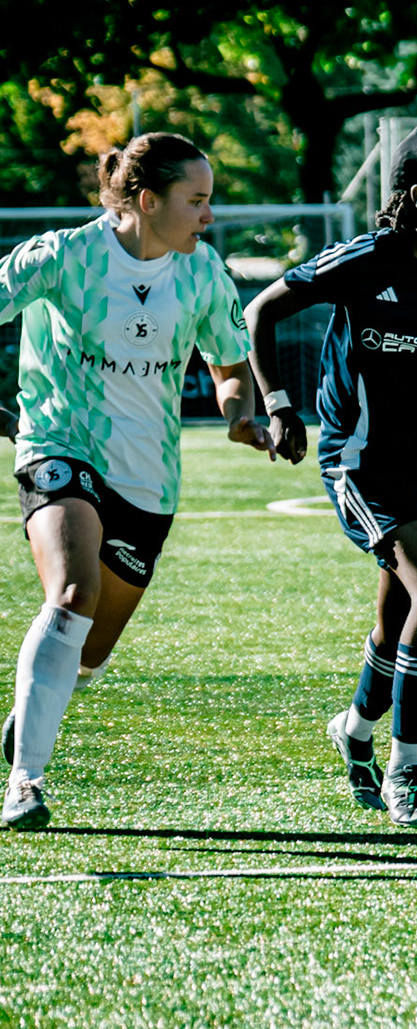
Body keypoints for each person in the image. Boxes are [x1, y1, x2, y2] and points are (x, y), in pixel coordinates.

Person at [0, 133, 272, 830]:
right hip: (58, 445)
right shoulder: (62, 257)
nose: (209, 216)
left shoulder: (203, 273)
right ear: (148, 202)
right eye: (198, 201)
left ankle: (37, 706)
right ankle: (24, 783)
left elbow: (230, 363)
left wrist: (241, 414)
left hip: (148, 477)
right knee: (73, 590)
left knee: (87, 649)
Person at [247, 128, 417, 828]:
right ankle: (407, 769)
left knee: (400, 618)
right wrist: (278, 405)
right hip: (360, 460)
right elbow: (262, 311)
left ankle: (356, 732)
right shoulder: (366, 260)